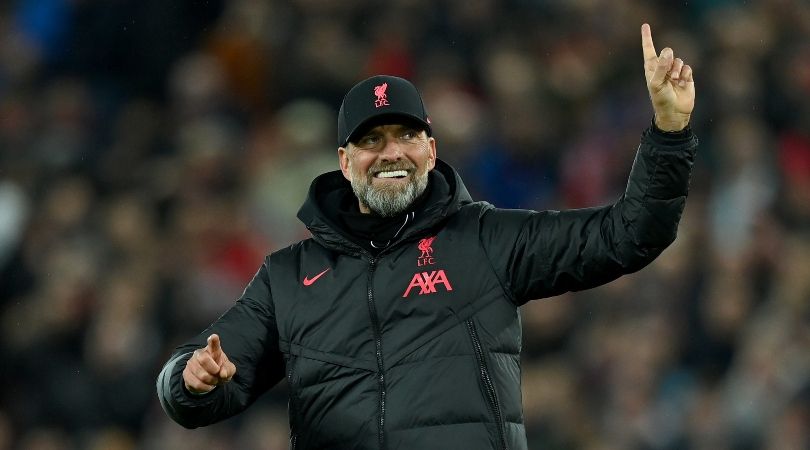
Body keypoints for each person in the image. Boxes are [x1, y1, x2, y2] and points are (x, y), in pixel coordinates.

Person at [157, 24, 697, 449]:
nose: (391, 152)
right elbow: (194, 385)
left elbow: (631, 233)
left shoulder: (485, 239)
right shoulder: (288, 277)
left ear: (431, 151)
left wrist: (669, 135)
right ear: (345, 162)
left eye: (407, 135)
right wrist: (190, 379)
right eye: (372, 140)